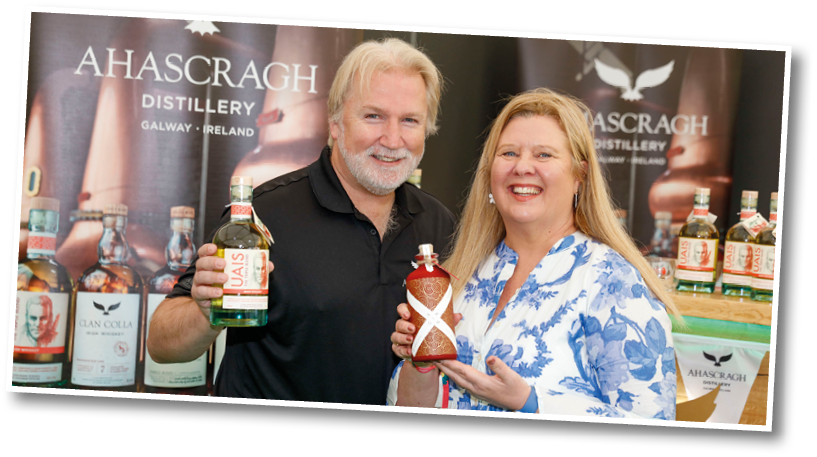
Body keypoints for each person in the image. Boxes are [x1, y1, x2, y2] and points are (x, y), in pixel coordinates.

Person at [146, 38, 456, 404]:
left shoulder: (439, 222)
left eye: (409, 120)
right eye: (373, 116)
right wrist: (205, 312)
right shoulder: (264, 214)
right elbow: (162, 345)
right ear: (336, 122)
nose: (392, 138)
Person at [388, 88, 679, 419]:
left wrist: (532, 402)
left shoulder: (613, 283)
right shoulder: (459, 278)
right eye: (509, 153)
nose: (522, 167)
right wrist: (421, 363)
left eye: (544, 155)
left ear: (579, 176)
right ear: (490, 174)